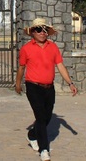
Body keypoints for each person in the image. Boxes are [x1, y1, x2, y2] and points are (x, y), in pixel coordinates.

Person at [15, 17, 77, 161]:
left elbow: (60, 66)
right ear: (32, 33)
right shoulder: (26, 49)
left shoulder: (53, 47)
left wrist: (70, 83)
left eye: (45, 30)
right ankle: (44, 149)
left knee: (47, 117)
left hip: (49, 87)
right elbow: (21, 68)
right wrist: (18, 84)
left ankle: (32, 135)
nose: (42, 33)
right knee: (40, 117)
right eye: (38, 30)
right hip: (33, 86)